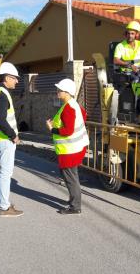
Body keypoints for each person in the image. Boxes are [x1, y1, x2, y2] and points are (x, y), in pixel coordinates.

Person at [46, 79, 89, 215]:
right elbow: (83, 115)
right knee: (72, 177)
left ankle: (75, 206)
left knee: (70, 179)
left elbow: (68, 131)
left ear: (67, 92)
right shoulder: (73, 105)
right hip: (75, 148)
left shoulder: (68, 108)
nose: (57, 92)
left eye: (60, 90)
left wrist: (52, 129)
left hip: (69, 150)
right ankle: (74, 201)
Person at [0, 62, 23, 217]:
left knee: (2, 172)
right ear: (7, 77)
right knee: (5, 174)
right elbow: (1, 120)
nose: (17, 81)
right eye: (15, 78)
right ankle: (4, 207)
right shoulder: (2, 94)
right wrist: (13, 136)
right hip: (4, 140)